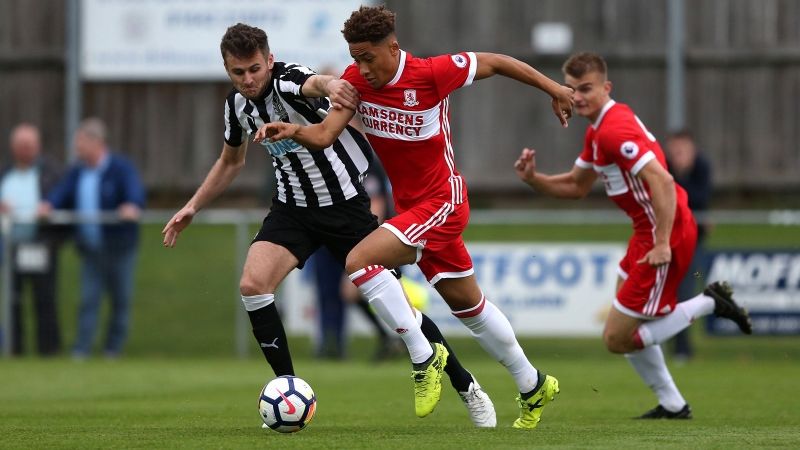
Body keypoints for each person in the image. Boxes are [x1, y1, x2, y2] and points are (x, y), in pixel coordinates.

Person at [161, 23, 496, 428]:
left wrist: (334, 85)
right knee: (253, 285)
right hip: (292, 210)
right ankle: (288, 394)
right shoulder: (236, 107)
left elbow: (315, 82)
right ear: (227, 70)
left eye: (254, 68)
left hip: (345, 208)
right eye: (238, 72)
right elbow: (231, 162)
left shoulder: (287, 79)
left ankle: (467, 386)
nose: (248, 79)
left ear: (269, 60)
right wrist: (192, 206)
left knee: (401, 313)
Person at [255, 5, 574, 428]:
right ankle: (533, 384)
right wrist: (292, 130)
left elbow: (497, 62)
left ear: (393, 47)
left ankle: (425, 357)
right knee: (472, 310)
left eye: (369, 58)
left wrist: (554, 88)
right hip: (414, 212)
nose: (362, 68)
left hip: (443, 202)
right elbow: (326, 134)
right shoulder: (355, 82)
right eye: (355, 58)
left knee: (359, 260)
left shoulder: (431, 73)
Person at [513, 52, 752, 419]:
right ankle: (673, 404)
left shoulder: (613, 130)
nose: (577, 97)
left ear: (606, 87)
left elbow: (663, 181)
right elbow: (576, 186)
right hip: (648, 231)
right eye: (572, 89)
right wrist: (534, 179)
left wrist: (662, 243)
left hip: (666, 231)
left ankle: (710, 301)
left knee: (616, 338)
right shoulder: (597, 131)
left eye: (586, 89)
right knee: (628, 327)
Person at [40, 117, 145, 359]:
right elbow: (60, 194)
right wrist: (48, 205)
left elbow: (135, 195)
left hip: (120, 248)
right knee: (88, 299)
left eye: (80, 143)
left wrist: (131, 206)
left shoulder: (121, 168)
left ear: (96, 143)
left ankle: (112, 349)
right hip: (91, 250)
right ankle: (82, 348)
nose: (77, 148)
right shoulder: (77, 171)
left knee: (121, 299)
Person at [311, 157, 404, 361]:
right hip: (341, 240)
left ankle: (407, 341)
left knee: (360, 293)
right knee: (344, 294)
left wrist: (365, 245)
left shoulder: (364, 162)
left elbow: (377, 204)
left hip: (368, 241)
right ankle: (394, 340)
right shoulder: (324, 161)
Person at [0, 124, 63, 356]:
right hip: (10, 247)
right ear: (12, 147)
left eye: (30, 144)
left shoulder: (50, 172)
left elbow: (61, 198)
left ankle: (48, 350)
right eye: (21, 144)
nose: (26, 149)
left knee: (45, 298)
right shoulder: (5, 172)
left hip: (41, 245)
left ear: (38, 146)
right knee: (12, 299)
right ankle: (14, 348)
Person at [665, 131, 712, 361]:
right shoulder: (662, 166)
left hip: (692, 243)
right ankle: (663, 344)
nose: (678, 156)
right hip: (665, 241)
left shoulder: (702, 167)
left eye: (682, 151)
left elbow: (700, 198)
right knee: (664, 295)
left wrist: (677, 181)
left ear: (693, 151)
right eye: (674, 151)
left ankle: (682, 349)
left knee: (685, 294)